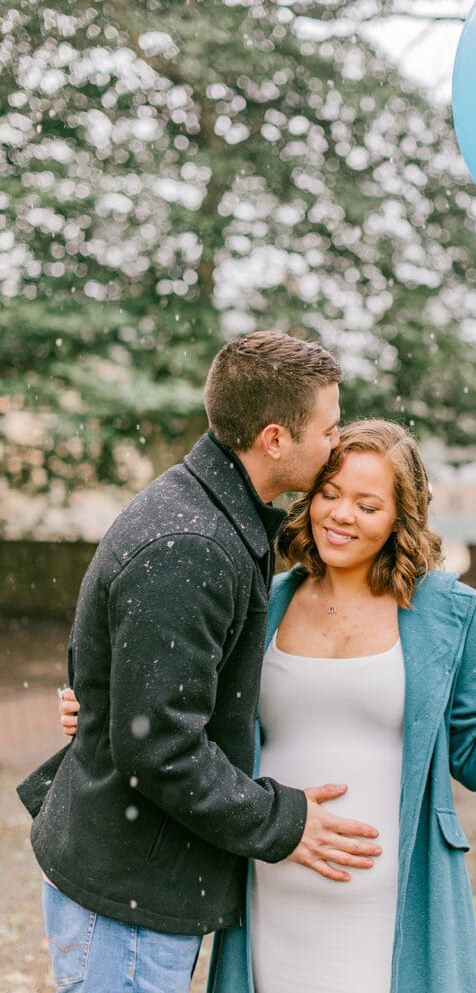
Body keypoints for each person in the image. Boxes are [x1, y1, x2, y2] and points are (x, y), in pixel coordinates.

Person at [57, 419, 476, 993]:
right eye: (330, 494)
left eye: (368, 505)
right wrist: (106, 709)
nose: (342, 515)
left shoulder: (453, 611)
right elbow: (186, 714)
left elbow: (475, 758)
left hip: (390, 907)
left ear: (402, 517)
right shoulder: (263, 601)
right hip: (271, 892)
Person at [17, 332, 383, 993]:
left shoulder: (208, 513)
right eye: (327, 431)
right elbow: (158, 745)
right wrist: (283, 821)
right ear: (275, 439)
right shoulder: (193, 543)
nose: (335, 444)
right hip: (127, 893)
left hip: (138, 879)